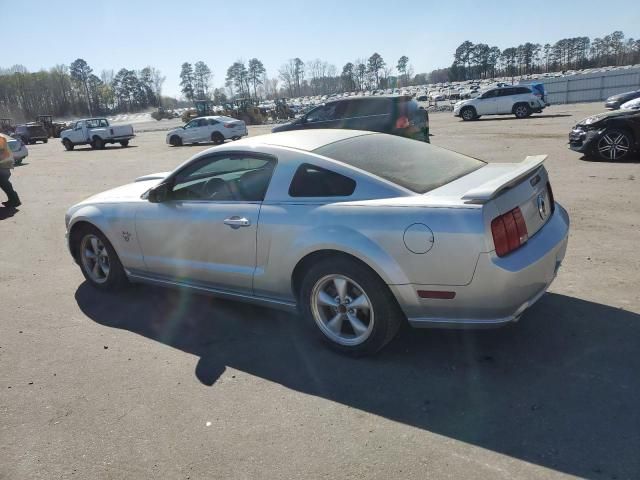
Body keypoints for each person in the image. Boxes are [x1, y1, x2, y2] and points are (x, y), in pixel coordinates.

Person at [0, 135, 21, 208]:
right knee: (5, 184)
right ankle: (14, 200)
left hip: (3, 164)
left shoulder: (0, 138)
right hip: (4, 163)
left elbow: (2, 151)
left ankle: (15, 200)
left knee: (4, 183)